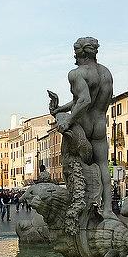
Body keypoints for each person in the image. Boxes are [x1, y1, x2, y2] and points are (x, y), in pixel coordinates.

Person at [49, 37, 114, 219]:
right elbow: (85, 99)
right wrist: (60, 108)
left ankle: (80, 205)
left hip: (84, 122)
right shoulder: (106, 73)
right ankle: (107, 209)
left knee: (73, 162)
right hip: (100, 123)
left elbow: (84, 100)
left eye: (75, 52)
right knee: (102, 165)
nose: (74, 56)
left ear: (80, 52)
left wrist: (67, 120)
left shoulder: (76, 73)